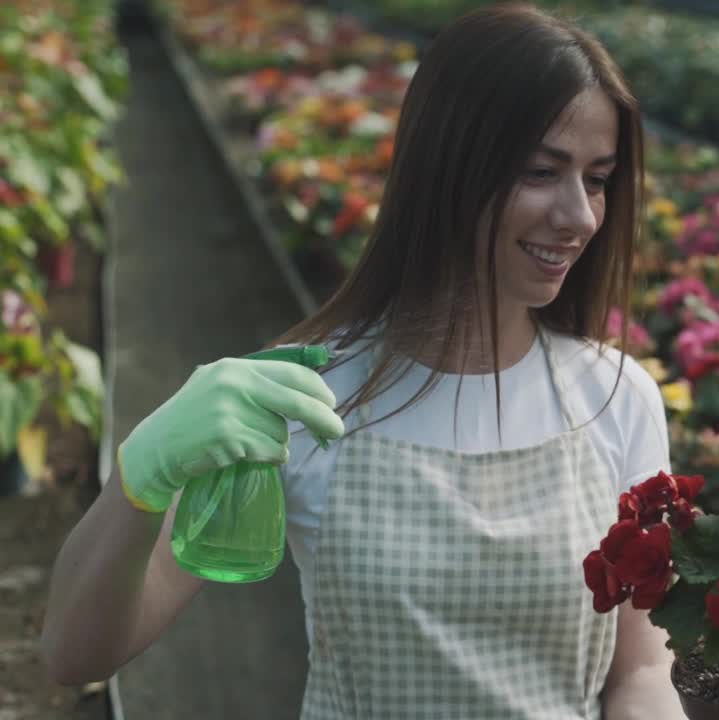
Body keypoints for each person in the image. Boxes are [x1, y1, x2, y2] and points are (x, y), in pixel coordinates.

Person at [40, 4, 686, 717]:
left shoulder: (616, 398)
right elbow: (78, 653)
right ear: (446, 167)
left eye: (597, 179)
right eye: (541, 171)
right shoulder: (304, 399)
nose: (581, 215)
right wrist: (140, 474)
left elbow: (641, 671)